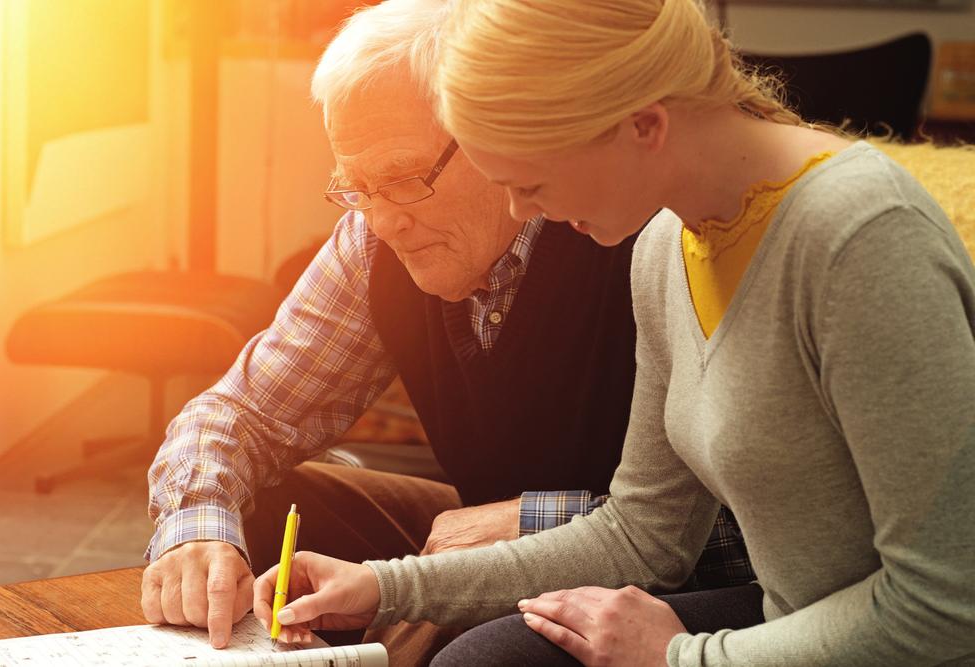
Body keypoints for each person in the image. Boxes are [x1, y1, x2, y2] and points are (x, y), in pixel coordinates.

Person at [251, 0, 975, 665]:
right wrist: (384, 586)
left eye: (531, 182)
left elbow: (948, 604)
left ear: (644, 125)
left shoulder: (861, 238)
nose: (516, 207)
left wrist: (684, 657)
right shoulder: (666, 245)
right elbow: (645, 533)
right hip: (788, 624)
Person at [140, 0, 753, 662]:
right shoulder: (380, 231)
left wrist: (533, 521)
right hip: (508, 528)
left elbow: (744, 525)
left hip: (655, 568)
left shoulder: (635, 219)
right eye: (356, 187)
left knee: (485, 652)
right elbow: (240, 416)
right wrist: (195, 532)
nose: (380, 220)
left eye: (404, 179)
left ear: (493, 129)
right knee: (252, 511)